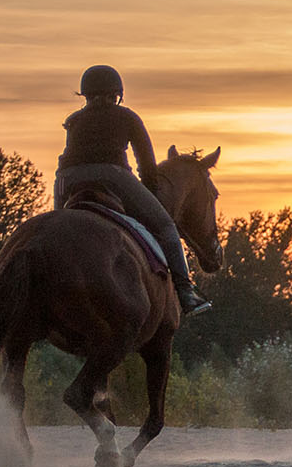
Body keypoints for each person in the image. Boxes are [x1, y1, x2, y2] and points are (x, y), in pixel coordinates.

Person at [53, 65, 211, 317]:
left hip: (67, 179)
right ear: (117, 93)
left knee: (56, 227)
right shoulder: (127, 117)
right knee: (166, 228)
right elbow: (145, 162)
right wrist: (149, 190)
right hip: (112, 175)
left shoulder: (74, 120)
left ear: (86, 94)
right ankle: (185, 292)